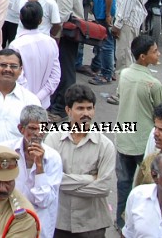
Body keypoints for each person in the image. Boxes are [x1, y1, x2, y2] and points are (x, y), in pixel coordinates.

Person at [115, 35, 162, 222]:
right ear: (143, 57)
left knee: (123, 183)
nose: (158, 54)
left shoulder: (125, 74)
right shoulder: (154, 84)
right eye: (155, 51)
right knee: (147, 185)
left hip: (124, 138)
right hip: (144, 142)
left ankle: (120, 220)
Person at [49, 84, 117, 238]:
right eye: (80, 108)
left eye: (89, 108)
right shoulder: (53, 139)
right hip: (59, 221)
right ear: (68, 110)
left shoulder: (105, 145)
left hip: (92, 224)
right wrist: (90, 179)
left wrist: (62, 181)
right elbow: (49, 180)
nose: (86, 113)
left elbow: (103, 188)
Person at [7, 105, 63, 238]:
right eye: (32, 128)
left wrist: (39, 166)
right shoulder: (6, 150)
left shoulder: (53, 158)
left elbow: (44, 201)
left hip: (39, 228)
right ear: (21, 129)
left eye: (42, 128)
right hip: (9, 224)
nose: (38, 133)